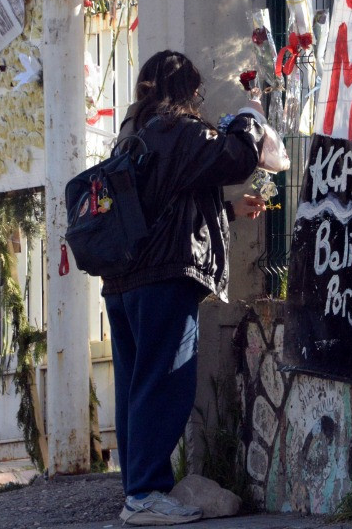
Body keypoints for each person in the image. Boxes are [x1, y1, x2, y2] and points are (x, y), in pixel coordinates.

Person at [101, 50, 267, 526]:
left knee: (137, 385)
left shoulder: (131, 136)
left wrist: (229, 213)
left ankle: (137, 488)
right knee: (165, 382)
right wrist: (250, 118)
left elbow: (165, 204)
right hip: (163, 279)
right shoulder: (180, 130)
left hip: (124, 283)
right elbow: (236, 157)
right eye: (197, 89)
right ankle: (146, 494)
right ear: (185, 91)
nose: (200, 97)